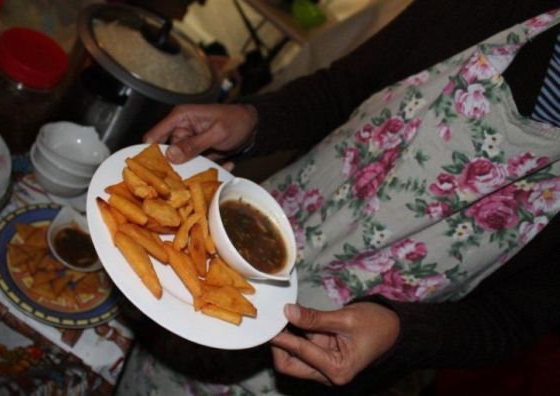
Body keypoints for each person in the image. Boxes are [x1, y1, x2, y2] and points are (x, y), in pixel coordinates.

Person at [118, 1, 560, 394]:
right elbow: (346, 87)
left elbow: (514, 317)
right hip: (228, 249)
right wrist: (254, 120)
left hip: (332, 357)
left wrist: (401, 334)